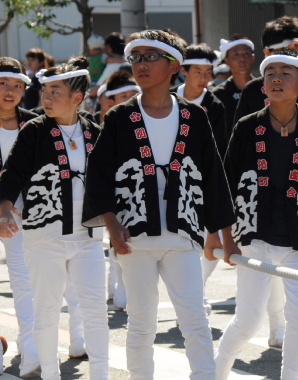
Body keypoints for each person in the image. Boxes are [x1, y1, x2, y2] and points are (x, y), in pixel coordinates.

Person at [82, 29, 236, 380]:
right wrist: (112, 226)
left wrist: (222, 235)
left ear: (174, 66)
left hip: (183, 233)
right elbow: (99, 175)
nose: (141, 64)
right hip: (134, 235)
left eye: (151, 57)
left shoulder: (194, 116)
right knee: (141, 321)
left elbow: (213, 175)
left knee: (194, 319)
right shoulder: (120, 117)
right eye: (136, 58)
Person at [211, 49, 298, 380]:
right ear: (263, 85)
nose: (277, 79)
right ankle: (215, 372)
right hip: (255, 238)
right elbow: (225, 183)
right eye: (270, 74)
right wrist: (222, 237)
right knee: (248, 321)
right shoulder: (246, 128)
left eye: (286, 73)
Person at [0, 57, 108, 380]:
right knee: (46, 311)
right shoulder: (33, 131)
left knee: (95, 309)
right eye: (44, 92)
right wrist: (4, 207)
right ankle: (49, 374)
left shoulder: (94, 132)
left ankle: (101, 374)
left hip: (87, 238)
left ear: (77, 98)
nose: (46, 98)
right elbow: (13, 172)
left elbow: (110, 179)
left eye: (54, 92)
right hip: (44, 236)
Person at [0, 57, 41, 377]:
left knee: (24, 283)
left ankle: (30, 346)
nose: (10, 91)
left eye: (17, 85)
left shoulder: (35, 123)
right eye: (3, 83)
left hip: (22, 216)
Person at [233, 16, 298, 124]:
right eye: (281, 53)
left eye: (294, 52)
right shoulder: (252, 90)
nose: (288, 58)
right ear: (267, 52)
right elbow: (240, 131)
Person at [175, 43, 227, 153]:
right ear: (184, 70)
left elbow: (217, 147)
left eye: (208, 72)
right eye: (198, 72)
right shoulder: (168, 96)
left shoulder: (214, 105)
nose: (203, 78)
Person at [211, 35, 256, 137]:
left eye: (246, 53)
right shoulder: (217, 95)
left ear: (253, 57)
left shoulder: (264, 90)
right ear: (227, 60)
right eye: (236, 54)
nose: (242, 59)